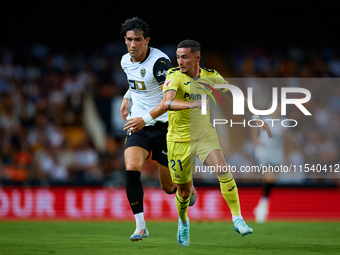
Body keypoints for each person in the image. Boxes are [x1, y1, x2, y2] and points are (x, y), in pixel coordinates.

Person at [162, 40, 273, 247]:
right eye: (178, 57)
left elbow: (235, 95)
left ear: (197, 58)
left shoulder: (211, 76)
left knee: (223, 169)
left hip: (204, 135)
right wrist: (190, 104)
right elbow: (166, 102)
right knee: (184, 192)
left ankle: (237, 218)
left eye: (184, 57)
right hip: (178, 140)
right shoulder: (173, 76)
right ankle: (183, 221)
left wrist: (255, 116)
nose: (180, 61)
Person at [119, 18, 197, 242]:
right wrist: (127, 97)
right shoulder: (125, 60)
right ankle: (141, 226)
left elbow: (166, 100)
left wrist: (144, 119)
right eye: (129, 40)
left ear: (147, 41)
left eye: (137, 40)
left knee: (169, 187)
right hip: (139, 125)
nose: (132, 45)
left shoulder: (160, 63)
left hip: (164, 126)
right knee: (132, 167)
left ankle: (188, 186)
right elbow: (135, 82)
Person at [250, 106, 293, 223]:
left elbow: (288, 138)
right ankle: (262, 207)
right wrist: (256, 140)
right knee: (270, 178)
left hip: (277, 154)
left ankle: (262, 203)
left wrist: (286, 146)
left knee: (270, 181)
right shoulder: (264, 119)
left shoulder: (284, 122)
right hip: (264, 152)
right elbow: (254, 128)